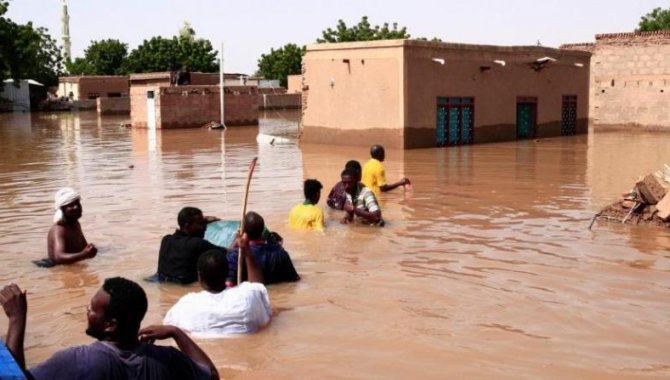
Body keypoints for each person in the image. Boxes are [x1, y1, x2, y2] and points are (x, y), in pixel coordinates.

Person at [0, 277, 219, 379]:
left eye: (93, 309)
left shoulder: (77, 361)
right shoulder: (168, 360)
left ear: (110, 325)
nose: (87, 309)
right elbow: (212, 375)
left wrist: (17, 319)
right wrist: (175, 332)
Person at [163, 233, 272, 336]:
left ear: (199, 277)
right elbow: (259, 288)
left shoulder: (185, 304)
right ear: (227, 273)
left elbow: (168, 324)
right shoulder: (246, 297)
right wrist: (247, 251)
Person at [227, 211, 300, 286]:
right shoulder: (279, 252)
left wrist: (234, 244)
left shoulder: (235, 255)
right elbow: (295, 280)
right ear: (262, 230)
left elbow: (228, 285)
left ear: (243, 231)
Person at [156, 207, 224, 284]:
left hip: (160, 281)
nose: (205, 228)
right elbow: (227, 253)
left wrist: (203, 221)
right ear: (187, 225)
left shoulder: (166, 240)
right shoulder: (198, 243)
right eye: (200, 224)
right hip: (185, 285)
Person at [45, 187, 97, 265]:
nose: (76, 207)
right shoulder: (59, 229)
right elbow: (59, 257)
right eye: (71, 205)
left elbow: (84, 248)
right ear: (62, 209)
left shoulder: (75, 223)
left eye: (77, 203)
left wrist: (90, 250)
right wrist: (84, 255)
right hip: (59, 269)